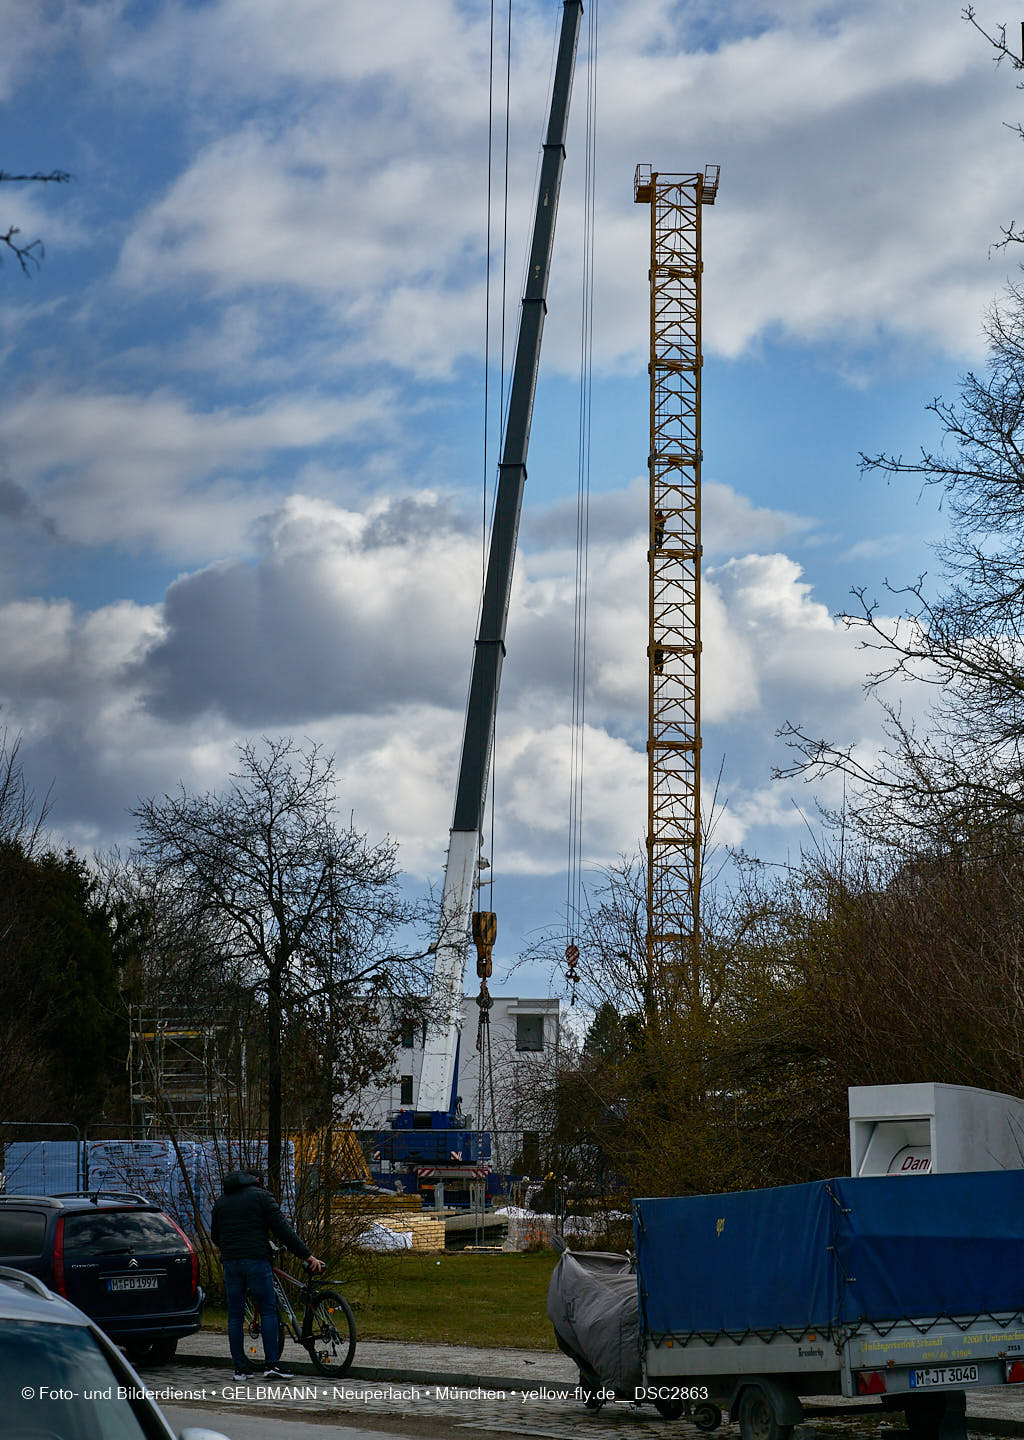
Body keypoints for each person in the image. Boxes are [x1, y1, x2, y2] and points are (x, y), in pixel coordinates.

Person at [210, 1169, 325, 1381]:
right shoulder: (262, 1197)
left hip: (231, 1263)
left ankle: (240, 1369)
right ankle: (272, 1365)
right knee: (268, 1311)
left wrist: (231, 1249)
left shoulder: (221, 1202)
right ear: (257, 1182)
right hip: (256, 1260)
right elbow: (283, 1230)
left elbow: (215, 1235)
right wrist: (307, 1255)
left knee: (235, 1315)